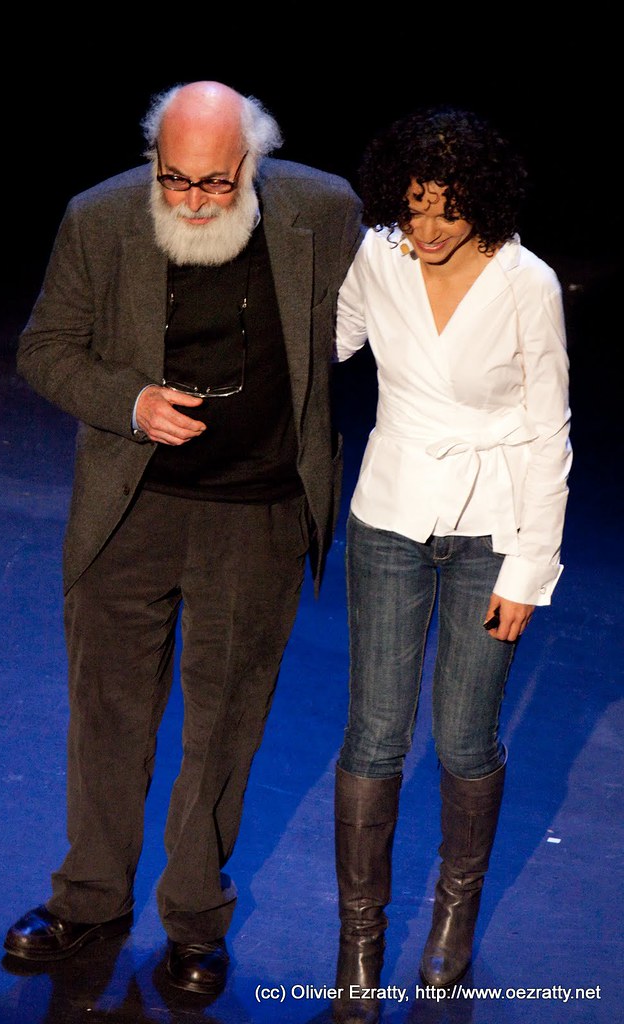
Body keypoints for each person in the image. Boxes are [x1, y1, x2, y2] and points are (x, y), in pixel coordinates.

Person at [3, 80, 363, 998]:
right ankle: (88, 897)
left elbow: (388, 312)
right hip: (132, 508)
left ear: (252, 164)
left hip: (258, 512)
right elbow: (46, 347)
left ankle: (196, 919)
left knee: (225, 725)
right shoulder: (101, 217)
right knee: (108, 714)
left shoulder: (322, 211)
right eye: (175, 181)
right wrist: (130, 403)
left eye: (213, 183)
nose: (194, 202)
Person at [331, 106, 572, 1022]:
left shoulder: (527, 283)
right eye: (413, 207)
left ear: (485, 203)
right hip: (389, 515)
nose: (426, 230)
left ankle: (453, 919)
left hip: (493, 531)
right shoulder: (380, 256)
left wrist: (529, 570)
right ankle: (358, 942)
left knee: (465, 736)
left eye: (446, 210)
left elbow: (550, 430)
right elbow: (332, 340)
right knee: (374, 735)